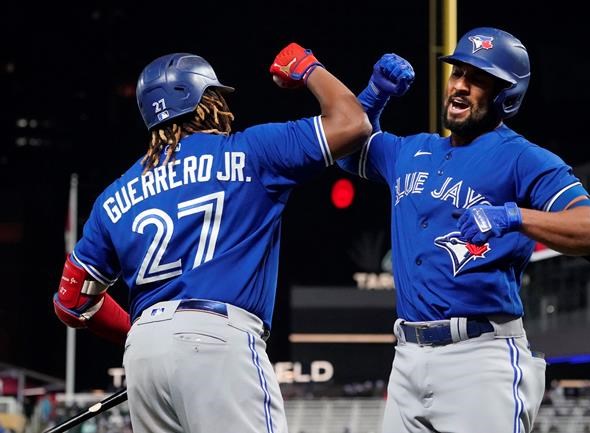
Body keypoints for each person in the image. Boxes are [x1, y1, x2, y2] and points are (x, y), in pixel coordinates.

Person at [52, 43, 371, 433]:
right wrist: (307, 66)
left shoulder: (114, 196)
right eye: (216, 95)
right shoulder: (252, 151)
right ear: (204, 100)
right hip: (217, 338)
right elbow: (353, 123)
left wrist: (142, 335)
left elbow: (71, 304)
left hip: (144, 354)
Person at [338, 27, 590, 433]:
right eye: (457, 74)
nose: (459, 86)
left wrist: (514, 216)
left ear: (506, 96)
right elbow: (348, 153)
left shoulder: (523, 158)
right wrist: (374, 95)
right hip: (406, 359)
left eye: (477, 80)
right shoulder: (412, 149)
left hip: (478, 358)